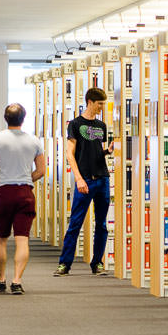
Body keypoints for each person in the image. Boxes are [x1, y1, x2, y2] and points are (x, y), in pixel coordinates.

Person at [0, 103, 46, 295]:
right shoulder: (34, 142)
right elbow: (41, 170)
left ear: (5, 118)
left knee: (0, 239)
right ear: (23, 118)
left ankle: (1, 279)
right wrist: (27, 179)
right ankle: (17, 281)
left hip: (4, 192)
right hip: (25, 193)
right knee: (22, 240)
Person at [55, 87, 112, 277]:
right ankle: (64, 264)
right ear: (90, 102)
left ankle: (97, 263)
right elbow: (70, 154)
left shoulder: (101, 126)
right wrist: (78, 178)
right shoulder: (75, 124)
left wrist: (107, 152)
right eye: (99, 104)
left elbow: (96, 151)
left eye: (103, 104)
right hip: (84, 180)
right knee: (76, 223)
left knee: (102, 224)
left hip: (102, 179)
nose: (102, 107)